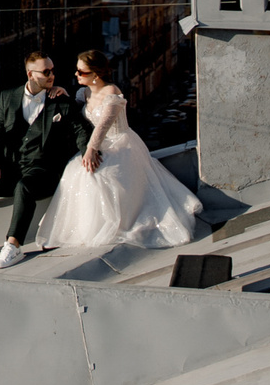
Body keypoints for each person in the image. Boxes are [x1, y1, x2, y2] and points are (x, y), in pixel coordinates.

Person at [42, 49, 203, 250]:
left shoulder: (112, 93)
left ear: (96, 74)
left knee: (102, 174)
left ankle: (118, 224)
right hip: (99, 145)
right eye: (77, 71)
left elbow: (102, 126)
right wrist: (63, 93)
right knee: (75, 170)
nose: (76, 75)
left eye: (81, 72)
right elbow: (75, 114)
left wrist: (91, 150)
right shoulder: (83, 92)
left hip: (120, 144)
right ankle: (86, 227)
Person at [0, 50, 90, 269]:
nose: (51, 75)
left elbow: (81, 130)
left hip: (44, 170)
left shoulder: (60, 100)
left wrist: (88, 154)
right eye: (46, 71)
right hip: (13, 167)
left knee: (24, 187)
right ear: (30, 74)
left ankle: (13, 245)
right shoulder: (8, 97)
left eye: (52, 70)